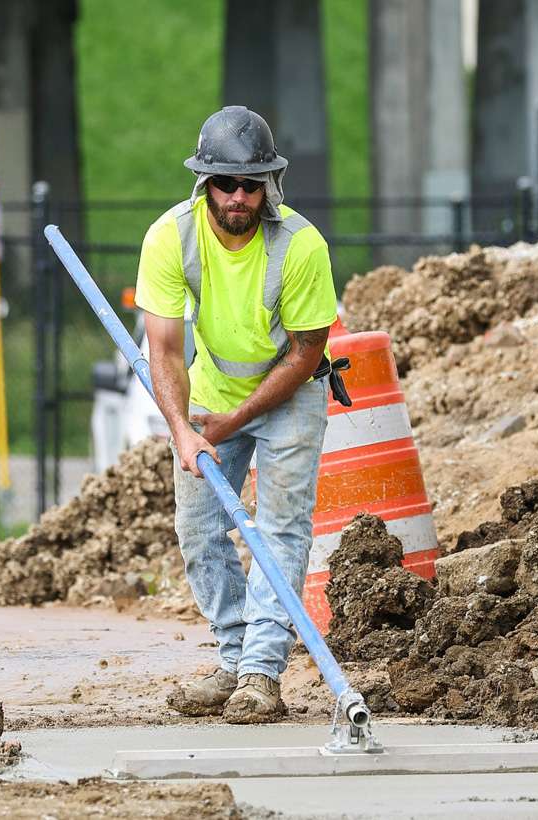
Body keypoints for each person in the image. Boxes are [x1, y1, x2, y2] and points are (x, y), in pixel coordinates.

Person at [134, 106, 339, 723]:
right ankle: (232, 657)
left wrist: (226, 425)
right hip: (209, 392)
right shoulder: (170, 237)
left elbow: (307, 353)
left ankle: (260, 673)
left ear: (269, 184)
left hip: (289, 389)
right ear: (204, 183)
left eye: (252, 184)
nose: (239, 197)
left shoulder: (302, 247)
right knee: (199, 533)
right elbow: (165, 350)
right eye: (226, 183)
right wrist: (185, 430)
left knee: (279, 530)